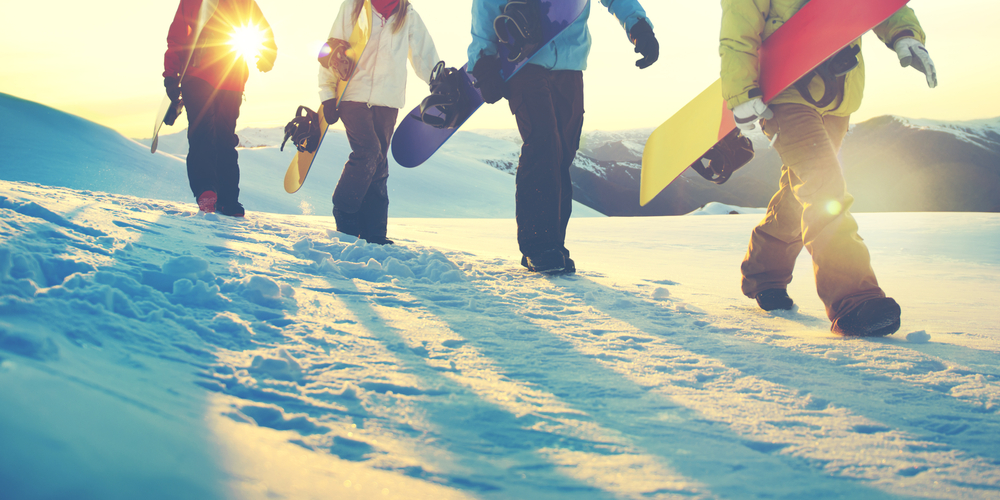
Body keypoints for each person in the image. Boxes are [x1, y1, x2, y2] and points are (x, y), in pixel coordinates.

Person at [720, 1, 937, 336]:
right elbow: (739, 24)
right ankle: (854, 299)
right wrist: (741, 90)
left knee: (801, 190)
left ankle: (763, 273)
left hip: (839, 96)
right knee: (823, 187)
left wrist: (905, 35)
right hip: (784, 94)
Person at [469, 0, 659, 274]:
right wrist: (482, 61)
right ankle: (538, 245)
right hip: (523, 61)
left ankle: (554, 244)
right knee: (543, 143)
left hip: (570, 61)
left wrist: (638, 26)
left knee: (563, 152)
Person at [320, 0, 439, 244]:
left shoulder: (407, 13)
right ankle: (345, 208)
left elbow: (423, 52)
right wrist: (327, 95)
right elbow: (330, 49)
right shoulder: (354, 7)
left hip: (388, 100)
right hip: (353, 95)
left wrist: (437, 80)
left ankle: (374, 231)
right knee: (368, 152)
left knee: (379, 163)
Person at [163, 0, 277, 217]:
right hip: (214, 75)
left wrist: (268, 52)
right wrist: (171, 73)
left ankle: (217, 195)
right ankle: (217, 196)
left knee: (214, 136)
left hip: (219, 75)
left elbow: (260, 24)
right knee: (213, 134)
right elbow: (178, 34)